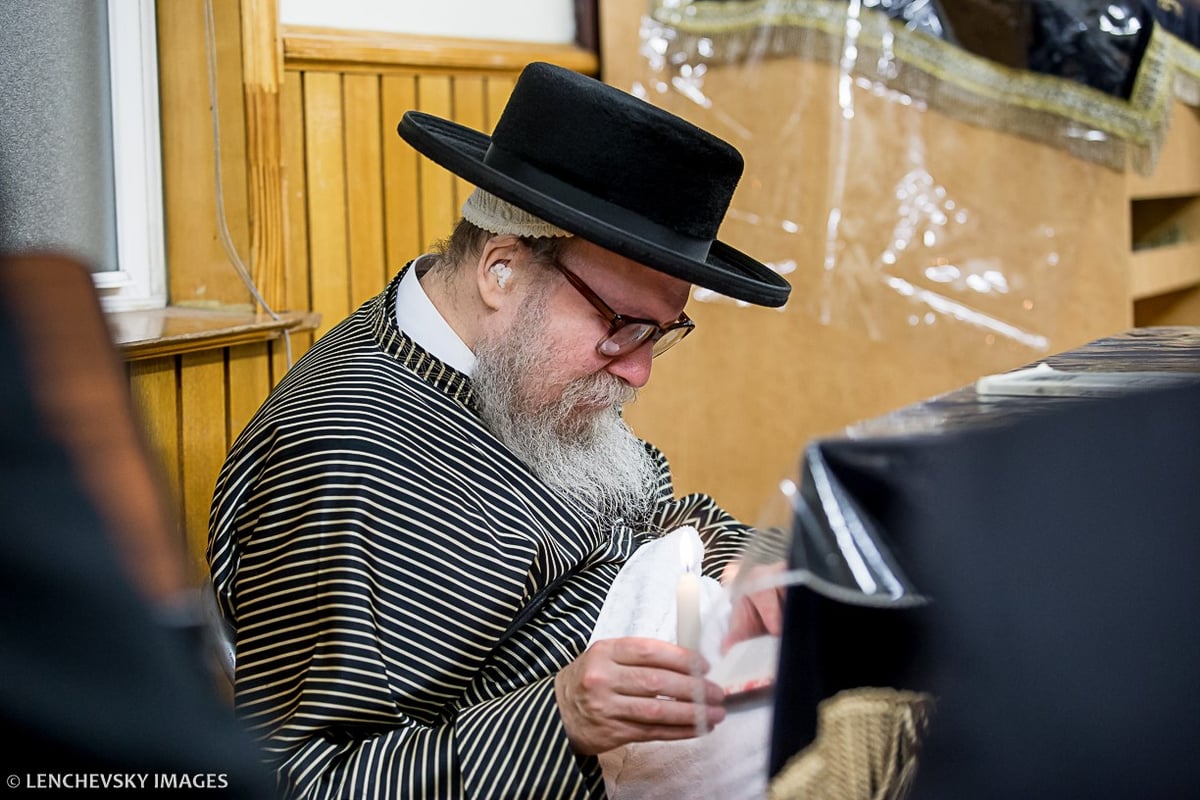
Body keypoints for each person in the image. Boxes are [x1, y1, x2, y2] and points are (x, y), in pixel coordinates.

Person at [208, 61, 792, 799]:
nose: (639, 372)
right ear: (502, 270)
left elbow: (657, 519)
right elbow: (300, 778)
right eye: (623, 327)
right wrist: (563, 718)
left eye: (663, 333)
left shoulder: (517, 374)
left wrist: (758, 568)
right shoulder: (350, 457)